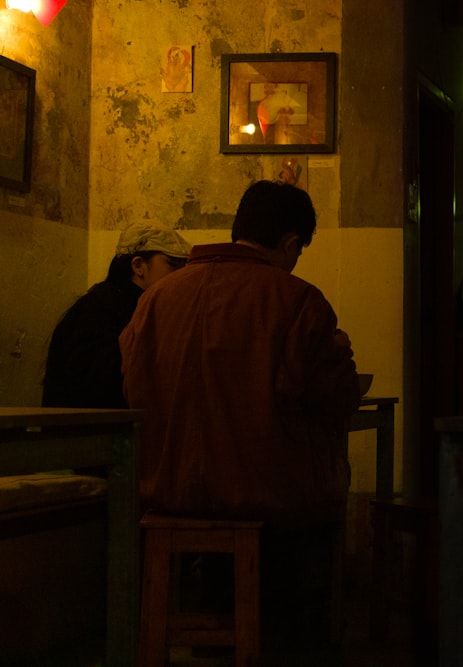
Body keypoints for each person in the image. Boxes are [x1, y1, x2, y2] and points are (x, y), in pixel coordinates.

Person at [120, 180, 361, 652]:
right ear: (290, 243)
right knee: (312, 518)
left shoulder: (154, 300)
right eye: (298, 251)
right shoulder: (296, 300)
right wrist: (339, 354)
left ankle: (214, 639)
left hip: (165, 491)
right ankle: (286, 644)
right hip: (269, 497)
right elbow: (339, 398)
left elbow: (132, 388)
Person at [42, 223, 191, 408]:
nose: (181, 274)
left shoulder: (111, 302)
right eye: (173, 264)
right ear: (138, 266)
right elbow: (103, 385)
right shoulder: (102, 309)